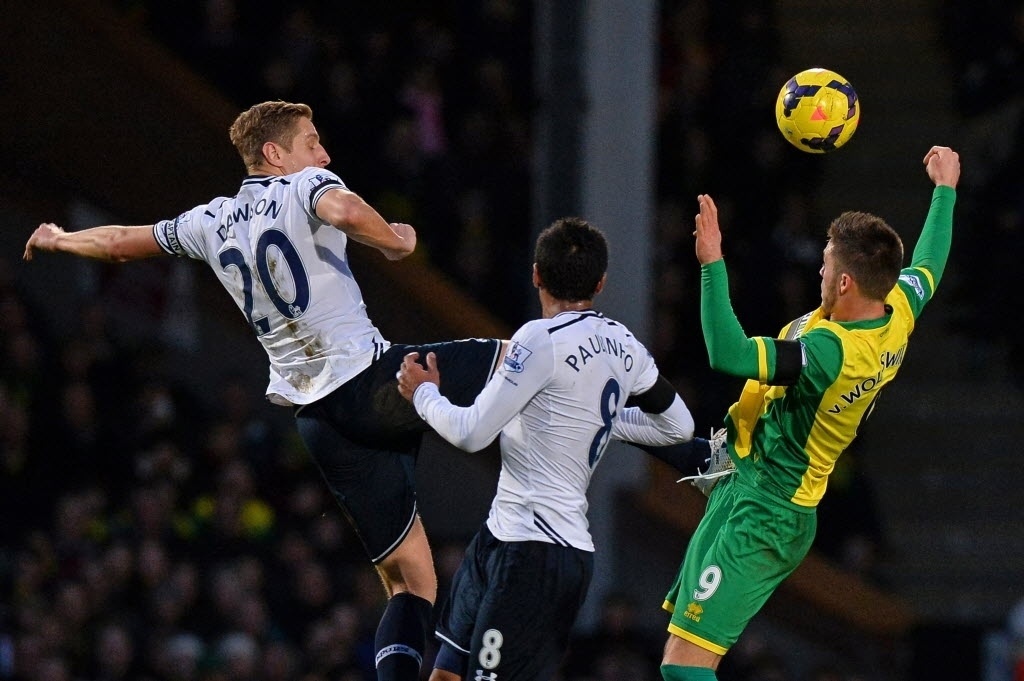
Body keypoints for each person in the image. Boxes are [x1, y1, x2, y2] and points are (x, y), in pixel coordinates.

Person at [22, 100, 509, 681]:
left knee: (412, 584)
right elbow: (349, 210)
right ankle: (628, 419)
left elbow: (124, 242)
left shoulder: (209, 221)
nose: (323, 154)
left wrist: (60, 239)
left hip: (318, 420)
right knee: (519, 356)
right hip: (373, 383)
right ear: (275, 154)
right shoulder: (304, 186)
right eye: (312, 142)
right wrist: (396, 242)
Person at [657, 145, 960, 681]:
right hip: (747, 485)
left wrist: (711, 265)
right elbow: (929, 263)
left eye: (825, 264)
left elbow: (727, 352)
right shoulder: (895, 309)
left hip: (766, 511)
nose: (819, 270)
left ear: (845, 282)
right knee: (680, 655)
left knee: (684, 668)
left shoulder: (829, 354)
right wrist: (944, 190)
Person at [396, 217, 699, 681]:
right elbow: (679, 426)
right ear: (600, 283)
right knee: (446, 673)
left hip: (536, 555)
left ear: (536, 273)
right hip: (505, 537)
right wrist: (602, 422)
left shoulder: (539, 339)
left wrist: (423, 394)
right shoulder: (626, 347)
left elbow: (473, 433)